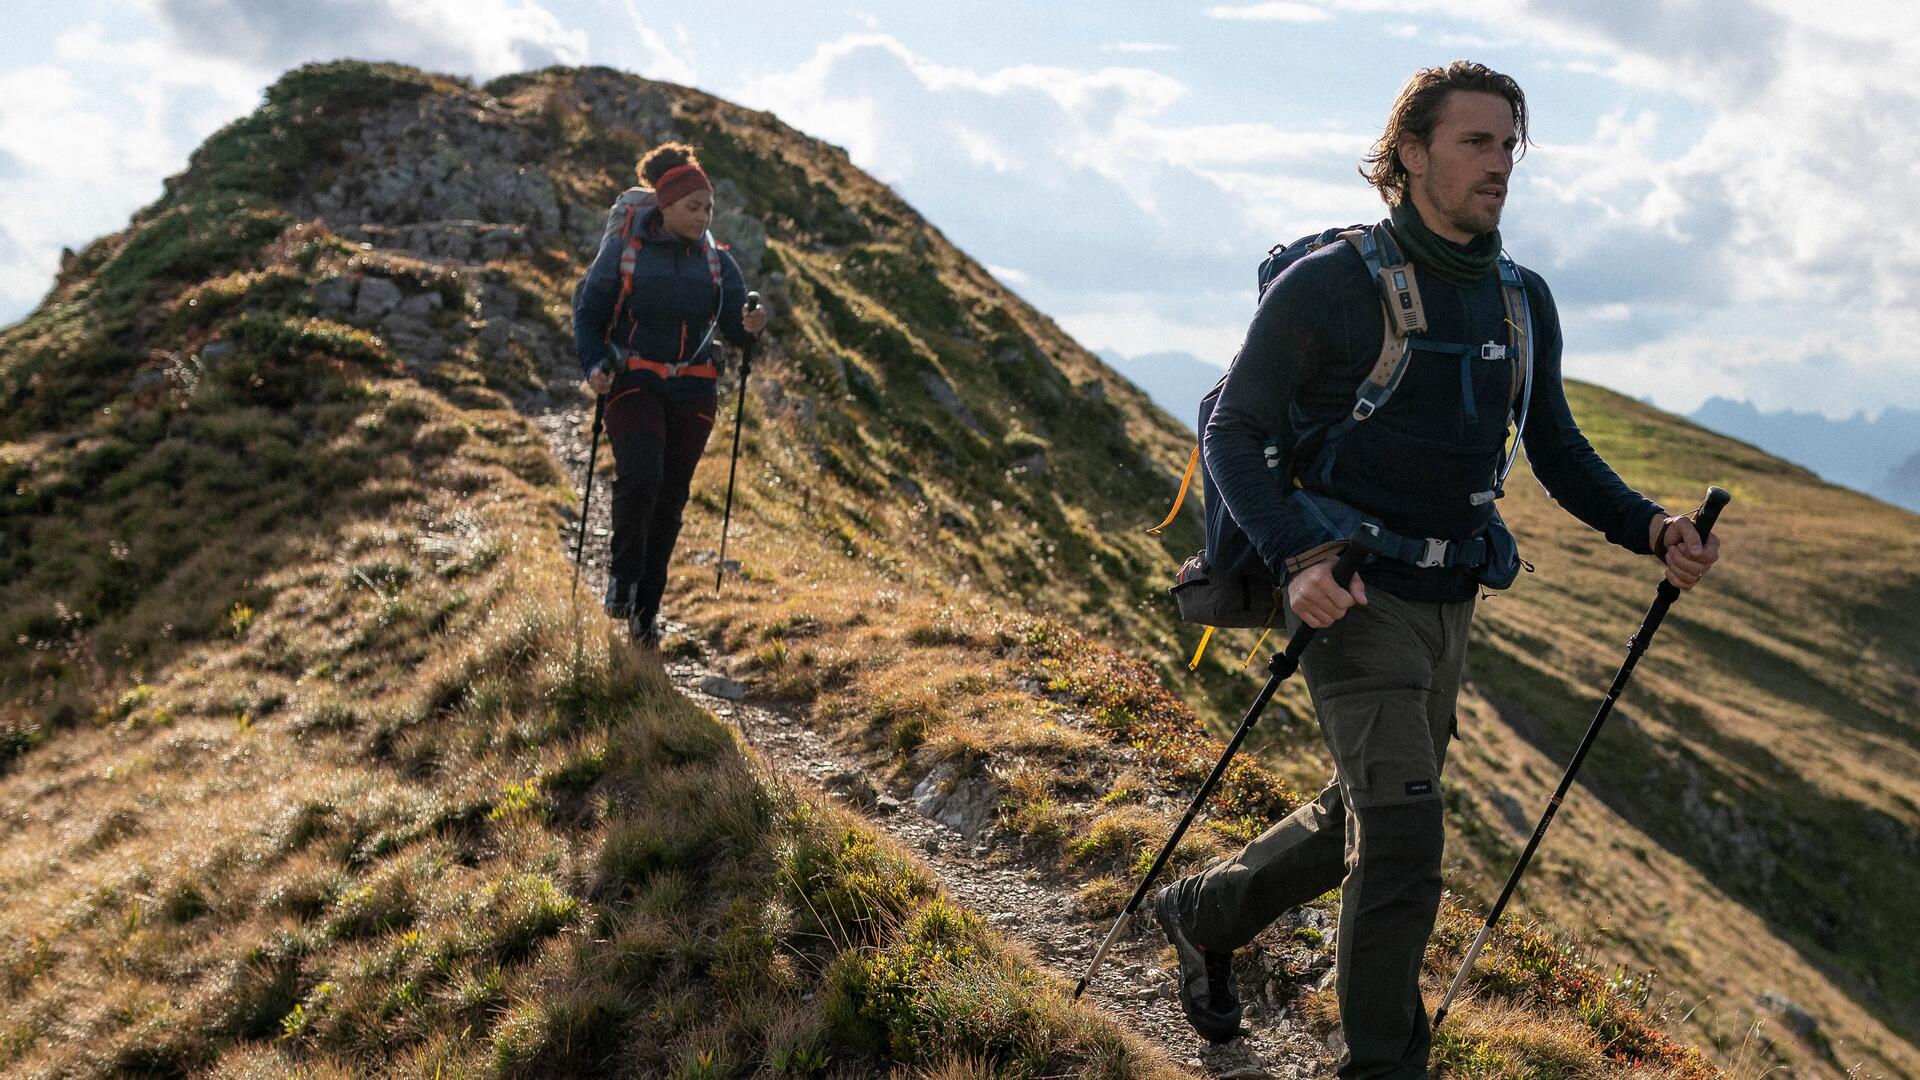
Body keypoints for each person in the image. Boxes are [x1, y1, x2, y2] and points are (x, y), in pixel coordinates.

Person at [1151, 61, 1722, 1077]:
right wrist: (1294, 560)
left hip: (1451, 598)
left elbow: (1555, 448)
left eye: (1511, 145)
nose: (1500, 163)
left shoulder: (1519, 300)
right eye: (1476, 142)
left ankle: (1203, 913)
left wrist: (1653, 530)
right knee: (1408, 837)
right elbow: (1237, 431)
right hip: (1350, 596)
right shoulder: (1327, 287)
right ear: (1409, 154)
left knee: (1357, 819)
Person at [572, 143, 768, 644]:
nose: (703, 217)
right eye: (692, 207)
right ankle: (623, 575)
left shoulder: (719, 263)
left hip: (694, 389)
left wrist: (751, 327)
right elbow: (589, 314)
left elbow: (737, 333)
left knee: (671, 496)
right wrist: (594, 363)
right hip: (632, 380)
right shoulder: (625, 250)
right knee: (642, 477)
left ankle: (646, 611)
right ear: (665, 205)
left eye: (708, 208)